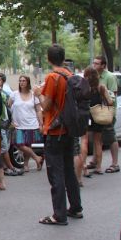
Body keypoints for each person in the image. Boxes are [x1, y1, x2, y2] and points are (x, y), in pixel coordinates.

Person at [33, 44, 83, 225]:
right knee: (69, 169)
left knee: (56, 173)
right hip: (69, 129)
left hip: (55, 130)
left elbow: (46, 106)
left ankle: (59, 214)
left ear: (48, 58)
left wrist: (39, 94)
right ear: (63, 58)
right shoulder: (70, 75)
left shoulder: (53, 77)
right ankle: (76, 207)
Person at [93, 55, 120, 174]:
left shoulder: (110, 77)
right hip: (96, 111)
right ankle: (95, 161)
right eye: (94, 63)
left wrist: (103, 91)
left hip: (107, 112)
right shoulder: (94, 76)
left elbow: (113, 95)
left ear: (103, 65)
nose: (94, 65)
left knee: (110, 136)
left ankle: (115, 163)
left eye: (97, 64)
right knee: (97, 137)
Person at [9, 75, 43, 171]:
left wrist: (41, 124)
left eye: (24, 81)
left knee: (27, 145)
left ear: (28, 82)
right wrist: (10, 121)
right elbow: (8, 107)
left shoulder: (33, 95)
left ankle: (26, 165)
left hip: (31, 123)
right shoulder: (14, 94)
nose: (22, 82)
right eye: (20, 81)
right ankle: (37, 158)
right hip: (17, 124)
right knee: (19, 144)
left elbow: (38, 110)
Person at [83, 67, 113, 176]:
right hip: (98, 116)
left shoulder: (84, 88)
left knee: (84, 141)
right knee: (98, 142)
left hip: (86, 116)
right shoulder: (101, 87)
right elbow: (110, 102)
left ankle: (84, 167)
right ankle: (99, 167)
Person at [0, 73, 19, 176]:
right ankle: (9, 167)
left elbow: (9, 107)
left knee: (4, 147)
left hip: (5, 123)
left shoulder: (4, 92)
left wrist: (11, 120)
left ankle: (6, 167)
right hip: (0, 124)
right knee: (4, 147)